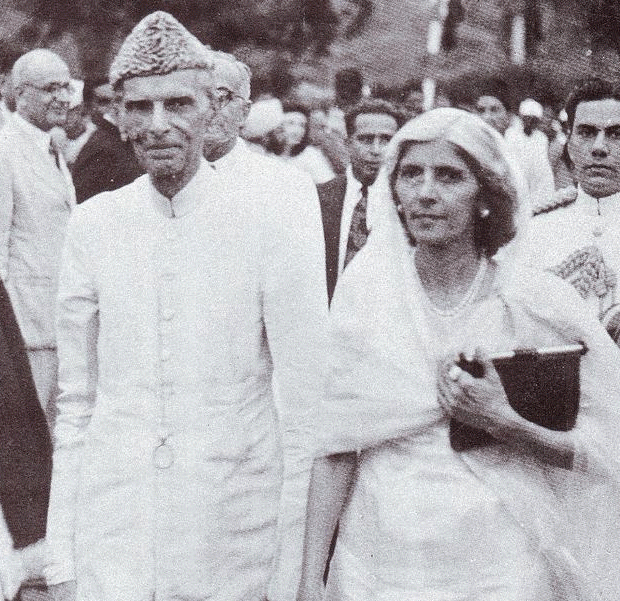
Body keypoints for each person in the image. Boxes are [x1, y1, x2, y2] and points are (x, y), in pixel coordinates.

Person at [45, 11, 327, 601]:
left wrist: (292, 574)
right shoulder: (95, 224)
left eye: (178, 104)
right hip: (117, 527)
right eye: (140, 107)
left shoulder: (267, 219)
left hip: (234, 529)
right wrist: (63, 561)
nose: (159, 125)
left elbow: (305, 407)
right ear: (119, 117)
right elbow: (76, 404)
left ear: (211, 109)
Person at [297, 108, 620, 601]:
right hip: (379, 558)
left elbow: (604, 446)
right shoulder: (368, 292)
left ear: (486, 196)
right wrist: (308, 580)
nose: (425, 193)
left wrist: (504, 421)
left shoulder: (533, 299)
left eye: (449, 176)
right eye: (411, 174)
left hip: (500, 559)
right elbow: (335, 443)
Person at [203, 50, 329, 601]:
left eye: (222, 96)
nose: (208, 108)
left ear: (245, 109)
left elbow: (302, 345)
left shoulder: (283, 188)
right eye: (195, 95)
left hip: (254, 416)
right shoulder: (148, 188)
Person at [0, 48, 75, 425]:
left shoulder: (50, 147)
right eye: (50, 89)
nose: (62, 97)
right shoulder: (4, 150)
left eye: (66, 87)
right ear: (20, 94)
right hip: (23, 329)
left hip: (57, 323)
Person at [523, 78, 620, 344]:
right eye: (586, 133)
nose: (599, 147)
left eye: (616, 134)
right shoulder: (534, 230)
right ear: (569, 142)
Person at [317, 98, 404, 302]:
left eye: (386, 140)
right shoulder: (319, 197)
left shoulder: (404, 203)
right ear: (348, 143)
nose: (376, 150)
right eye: (366, 139)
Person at [71, 78, 143, 203]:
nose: (113, 106)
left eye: (119, 99)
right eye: (104, 102)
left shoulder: (117, 139)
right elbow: (85, 201)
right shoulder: (103, 147)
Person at [266, 102, 336, 184]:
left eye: (302, 125)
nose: (297, 131)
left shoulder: (310, 155)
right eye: (290, 123)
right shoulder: (264, 154)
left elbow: (327, 184)